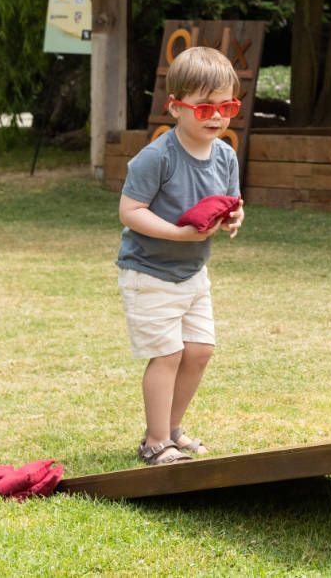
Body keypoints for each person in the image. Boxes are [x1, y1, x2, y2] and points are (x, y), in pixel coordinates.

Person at [116, 46, 245, 465]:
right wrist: (177, 234)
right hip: (149, 272)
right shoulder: (158, 157)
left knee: (200, 350)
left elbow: (231, 202)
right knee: (168, 353)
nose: (216, 116)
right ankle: (155, 443)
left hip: (192, 274)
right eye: (204, 106)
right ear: (175, 107)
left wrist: (234, 218)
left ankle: (171, 430)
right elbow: (129, 211)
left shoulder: (225, 155)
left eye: (226, 106)